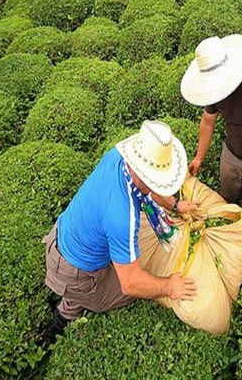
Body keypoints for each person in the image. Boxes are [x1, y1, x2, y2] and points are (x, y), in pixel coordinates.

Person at [43, 120, 199, 335]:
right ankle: (61, 320)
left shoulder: (119, 158)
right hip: (75, 271)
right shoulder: (122, 214)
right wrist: (169, 286)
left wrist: (175, 205)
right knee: (144, 279)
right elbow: (131, 283)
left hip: (63, 237)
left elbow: (148, 187)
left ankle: (68, 306)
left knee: (110, 269)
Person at [181, 35, 242, 216]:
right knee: (225, 198)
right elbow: (207, 121)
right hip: (231, 155)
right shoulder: (214, 89)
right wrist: (198, 158)